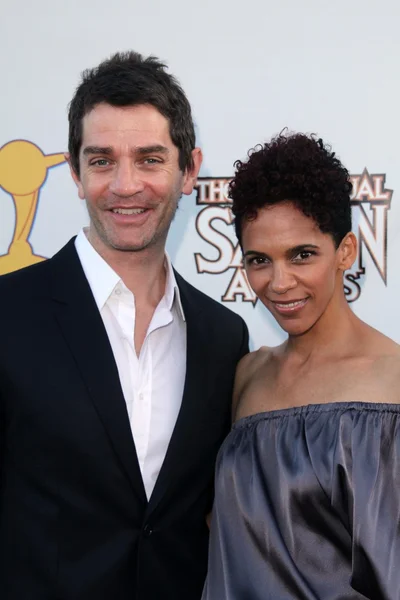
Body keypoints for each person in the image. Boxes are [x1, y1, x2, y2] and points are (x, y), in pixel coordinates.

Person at [0, 51, 249, 600]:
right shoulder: (9, 314)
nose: (126, 185)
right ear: (75, 172)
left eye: (150, 159)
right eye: (102, 160)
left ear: (189, 170)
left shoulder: (222, 337)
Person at [202, 132, 400, 599]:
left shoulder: (391, 381)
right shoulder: (247, 374)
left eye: (302, 254)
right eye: (259, 260)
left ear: (346, 252)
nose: (279, 282)